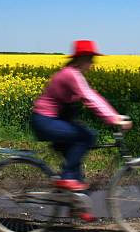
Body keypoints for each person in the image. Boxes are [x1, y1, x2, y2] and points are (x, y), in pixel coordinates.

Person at [31, 40, 132, 192]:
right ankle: (67, 178)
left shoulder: (71, 72)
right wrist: (114, 118)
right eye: (91, 59)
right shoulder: (71, 74)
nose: (93, 63)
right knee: (86, 137)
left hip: (49, 120)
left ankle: (78, 204)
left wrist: (114, 115)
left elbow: (93, 96)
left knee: (76, 158)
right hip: (45, 120)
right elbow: (90, 97)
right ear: (82, 58)